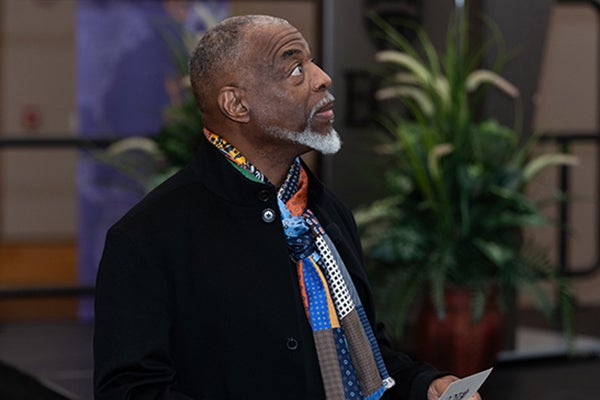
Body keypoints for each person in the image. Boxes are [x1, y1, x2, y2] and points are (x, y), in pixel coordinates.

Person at [93, 14, 482, 400]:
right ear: (236, 104)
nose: (322, 77)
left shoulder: (326, 212)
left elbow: (367, 355)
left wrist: (424, 386)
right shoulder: (148, 236)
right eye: (296, 68)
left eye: (311, 62)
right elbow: (131, 391)